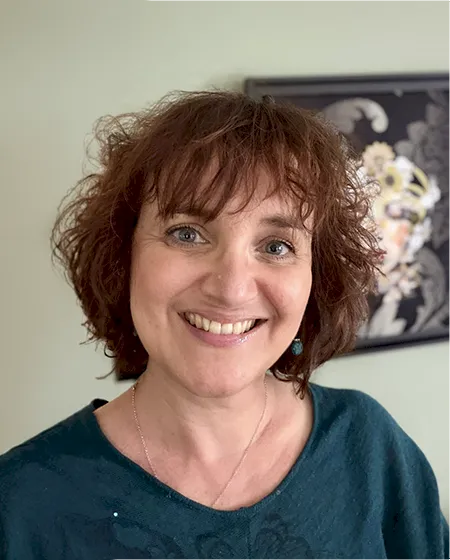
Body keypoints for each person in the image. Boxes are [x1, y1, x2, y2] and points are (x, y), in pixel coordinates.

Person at [0, 91, 448, 559]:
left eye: (276, 246)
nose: (231, 289)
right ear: (122, 256)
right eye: (187, 234)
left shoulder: (369, 447)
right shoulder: (19, 506)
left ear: (317, 277)